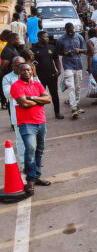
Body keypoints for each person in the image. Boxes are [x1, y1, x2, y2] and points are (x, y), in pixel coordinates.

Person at [11, 62, 52, 195]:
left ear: (31, 71)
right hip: (26, 124)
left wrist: (32, 98)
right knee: (30, 150)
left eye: (28, 70)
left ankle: (37, 176)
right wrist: (39, 100)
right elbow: (23, 103)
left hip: (41, 122)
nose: (27, 72)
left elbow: (48, 99)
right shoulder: (15, 86)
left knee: (39, 150)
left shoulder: (36, 83)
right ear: (19, 72)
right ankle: (30, 181)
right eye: (23, 70)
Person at [56, 23, 87, 118]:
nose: (70, 33)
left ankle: (76, 105)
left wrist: (79, 50)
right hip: (67, 65)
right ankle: (73, 107)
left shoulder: (79, 37)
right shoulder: (61, 39)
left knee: (77, 87)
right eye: (68, 31)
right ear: (65, 30)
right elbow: (58, 52)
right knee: (71, 86)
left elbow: (85, 50)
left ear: (74, 29)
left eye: (72, 31)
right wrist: (64, 53)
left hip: (78, 65)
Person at [31, 31, 63, 119]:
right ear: (39, 38)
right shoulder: (33, 49)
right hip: (39, 77)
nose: (47, 39)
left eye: (48, 37)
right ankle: (39, 114)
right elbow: (30, 63)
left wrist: (59, 70)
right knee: (39, 96)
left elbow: (56, 59)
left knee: (54, 94)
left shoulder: (51, 47)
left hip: (52, 75)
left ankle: (57, 113)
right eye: (45, 37)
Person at [3, 56, 26, 168]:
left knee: (35, 143)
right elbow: (8, 94)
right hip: (17, 116)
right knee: (21, 141)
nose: (19, 67)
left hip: (34, 115)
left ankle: (34, 165)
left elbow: (39, 91)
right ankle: (24, 165)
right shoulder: (7, 78)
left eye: (21, 64)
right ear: (12, 66)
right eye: (16, 65)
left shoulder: (30, 75)